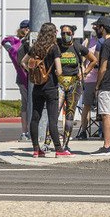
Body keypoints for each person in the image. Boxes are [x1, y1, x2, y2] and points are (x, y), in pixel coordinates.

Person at [42, 24, 97, 153]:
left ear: (72, 34)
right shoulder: (57, 47)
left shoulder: (77, 47)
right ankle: (47, 142)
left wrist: (84, 73)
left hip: (74, 84)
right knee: (54, 114)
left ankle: (66, 143)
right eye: (63, 34)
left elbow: (93, 60)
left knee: (70, 114)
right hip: (59, 84)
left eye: (67, 33)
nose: (65, 36)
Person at [22, 22, 71, 157]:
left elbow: (23, 62)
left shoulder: (35, 47)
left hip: (37, 87)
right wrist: (55, 74)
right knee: (52, 119)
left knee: (35, 118)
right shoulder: (54, 48)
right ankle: (59, 150)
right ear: (53, 33)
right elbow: (59, 71)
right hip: (50, 87)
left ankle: (36, 149)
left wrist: (32, 73)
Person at [91, 16, 110, 155]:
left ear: (102, 28)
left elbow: (102, 67)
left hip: (107, 84)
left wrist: (97, 85)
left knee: (105, 115)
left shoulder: (106, 44)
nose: (96, 29)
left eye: (97, 27)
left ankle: (107, 145)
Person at [3, 20, 30, 142]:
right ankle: (26, 132)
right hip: (26, 78)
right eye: (27, 28)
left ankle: (26, 132)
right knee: (28, 106)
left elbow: (7, 45)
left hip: (22, 78)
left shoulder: (16, 44)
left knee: (26, 106)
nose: (29, 30)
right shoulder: (22, 43)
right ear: (23, 29)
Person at [75, 23, 100, 141]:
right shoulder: (88, 42)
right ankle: (83, 131)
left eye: (96, 27)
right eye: (93, 28)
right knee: (87, 105)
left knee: (102, 107)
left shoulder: (104, 41)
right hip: (89, 78)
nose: (94, 30)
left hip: (102, 77)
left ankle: (103, 131)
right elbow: (82, 59)